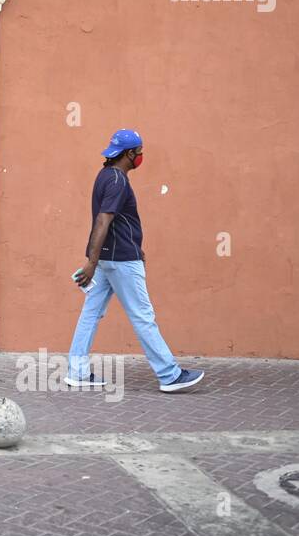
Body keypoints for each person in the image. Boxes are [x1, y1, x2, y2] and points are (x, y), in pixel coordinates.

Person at [68, 128, 205, 393]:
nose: (141, 157)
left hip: (110, 259)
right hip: (120, 261)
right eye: (139, 152)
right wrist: (90, 263)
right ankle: (169, 375)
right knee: (143, 316)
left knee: (91, 313)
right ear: (129, 154)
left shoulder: (105, 176)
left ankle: (77, 372)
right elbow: (103, 220)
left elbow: (118, 222)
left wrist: (122, 251)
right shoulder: (118, 181)